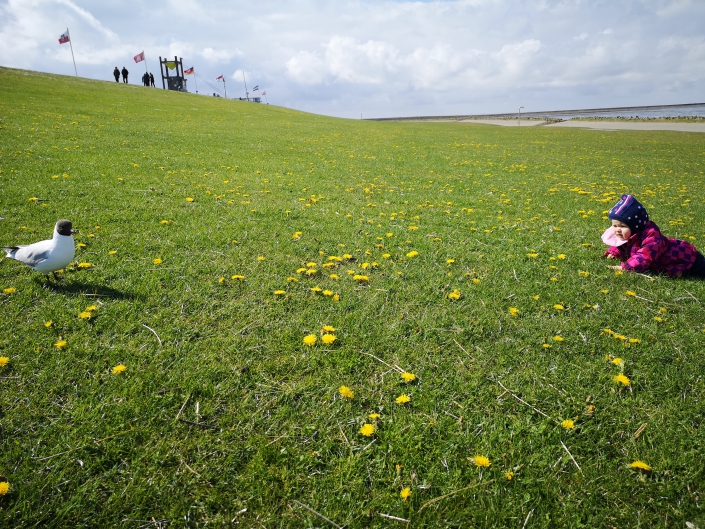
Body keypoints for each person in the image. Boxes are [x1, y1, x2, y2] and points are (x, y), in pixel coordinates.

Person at [602, 194, 705, 277]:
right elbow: (623, 244)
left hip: (684, 257)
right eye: (614, 225)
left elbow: (644, 257)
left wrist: (626, 267)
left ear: (636, 227)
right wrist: (615, 252)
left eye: (623, 226)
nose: (617, 230)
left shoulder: (651, 238)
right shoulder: (627, 233)